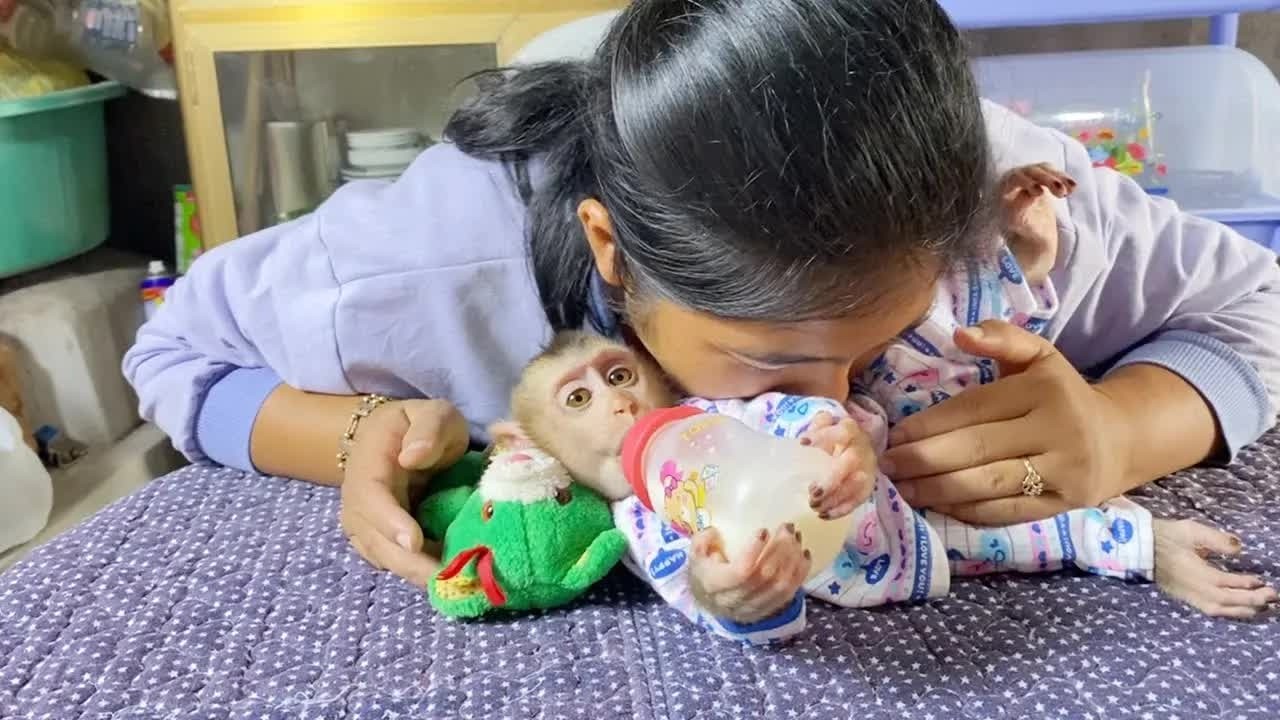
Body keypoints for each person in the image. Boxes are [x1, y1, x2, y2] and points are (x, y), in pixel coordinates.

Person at [124, 0, 1280, 591]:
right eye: (771, 365)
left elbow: (1254, 307)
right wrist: (357, 431)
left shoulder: (999, 189)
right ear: (610, 255)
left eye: (877, 343)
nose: (838, 415)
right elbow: (173, 347)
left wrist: (1122, 430)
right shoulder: (419, 269)